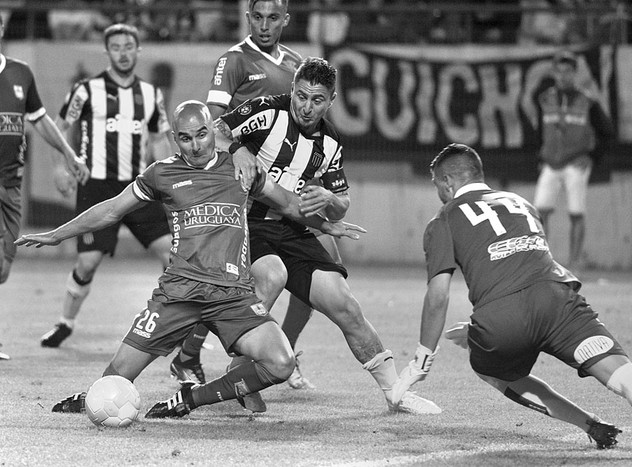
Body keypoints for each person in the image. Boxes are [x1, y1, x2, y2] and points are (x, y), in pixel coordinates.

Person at [15, 100, 364, 418]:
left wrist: (328, 225)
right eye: (185, 138)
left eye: (201, 134)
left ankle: (191, 399)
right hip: (178, 293)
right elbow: (111, 210)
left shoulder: (242, 169)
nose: (196, 145)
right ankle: (92, 397)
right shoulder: (161, 173)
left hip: (233, 295)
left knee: (281, 362)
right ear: (174, 138)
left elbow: (288, 203)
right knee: (116, 377)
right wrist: (57, 234)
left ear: (213, 129)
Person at [392, 142, 632, 459]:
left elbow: (438, 295)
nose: (438, 193)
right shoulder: (522, 204)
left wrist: (423, 359)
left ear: (447, 182)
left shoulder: (442, 219)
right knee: (622, 374)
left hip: (503, 324)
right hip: (560, 303)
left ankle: (588, 424)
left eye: (436, 185)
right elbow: (525, 264)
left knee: (493, 371)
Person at [214, 56, 441, 415]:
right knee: (272, 276)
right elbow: (217, 129)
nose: (306, 106)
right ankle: (240, 372)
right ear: (292, 89)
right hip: (245, 223)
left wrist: (331, 200)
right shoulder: (266, 111)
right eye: (301, 96)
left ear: (330, 101)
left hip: (292, 227)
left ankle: (395, 392)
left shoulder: (331, 142)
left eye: (317, 100)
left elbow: (341, 204)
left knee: (345, 304)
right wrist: (239, 150)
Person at [170, 0, 327, 390]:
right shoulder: (234, 60)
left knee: (319, 271)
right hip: (242, 188)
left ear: (286, 20)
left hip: (283, 189)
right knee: (234, 280)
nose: (264, 25)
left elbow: (308, 120)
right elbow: (212, 122)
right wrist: (238, 148)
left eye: (273, 17)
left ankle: (283, 350)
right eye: (257, 17)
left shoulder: (296, 63)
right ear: (248, 18)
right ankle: (192, 355)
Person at [39, 23, 174, 349]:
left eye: (129, 46)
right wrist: (61, 167)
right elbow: (59, 128)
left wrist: (170, 184)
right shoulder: (85, 90)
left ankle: (175, 327)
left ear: (137, 50)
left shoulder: (150, 94)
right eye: (116, 47)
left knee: (172, 254)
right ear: (107, 51)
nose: (123, 53)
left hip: (139, 187)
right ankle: (65, 322)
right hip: (96, 187)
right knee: (87, 261)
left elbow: (158, 139)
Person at [0, 14, 89, 359]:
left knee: (4, 268)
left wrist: (69, 156)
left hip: (10, 184)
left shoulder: (21, 73)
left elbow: (40, 120)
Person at [532, 51, 615, 271]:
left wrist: (592, 156)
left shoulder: (588, 101)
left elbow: (607, 132)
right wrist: (540, 155)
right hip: (550, 162)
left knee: (576, 213)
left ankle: (575, 262)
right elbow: (539, 131)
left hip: (575, 163)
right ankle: (543, 264)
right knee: (540, 213)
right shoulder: (545, 98)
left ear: (575, 73)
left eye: (568, 71)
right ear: (554, 73)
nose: (563, 76)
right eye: (559, 72)